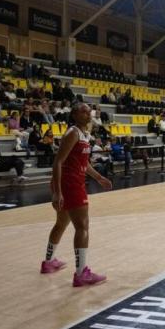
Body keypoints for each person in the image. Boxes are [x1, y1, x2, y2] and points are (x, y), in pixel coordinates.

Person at [40, 102, 112, 286]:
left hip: (72, 182)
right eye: (84, 112)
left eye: (89, 112)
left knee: (61, 223)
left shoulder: (84, 134)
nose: (88, 115)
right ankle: (81, 274)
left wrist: (99, 177)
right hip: (69, 184)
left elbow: (84, 164)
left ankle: (48, 262)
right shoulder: (72, 133)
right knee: (83, 226)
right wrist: (57, 192)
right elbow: (57, 162)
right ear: (74, 115)